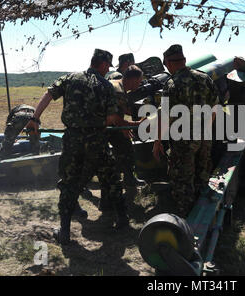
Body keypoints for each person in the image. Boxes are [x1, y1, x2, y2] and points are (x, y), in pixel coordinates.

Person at [26, 49, 138, 244]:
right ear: (103, 65)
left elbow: (48, 95)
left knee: (69, 182)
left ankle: (65, 231)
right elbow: (112, 118)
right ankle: (122, 220)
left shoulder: (70, 78)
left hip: (73, 140)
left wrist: (35, 118)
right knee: (111, 178)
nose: (107, 70)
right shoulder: (106, 86)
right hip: (98, 140)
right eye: (107, 67)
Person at [152, 44, 219, 217]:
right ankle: (204, 213)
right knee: (202, 175)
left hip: (183, 139)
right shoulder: (205, 78)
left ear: (168, 62)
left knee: (183, 179)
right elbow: (215, 108)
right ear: (184, 60)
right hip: (204, 136)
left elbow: (165, 117)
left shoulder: (172, 84)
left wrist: (157, 142)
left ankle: (186, 218)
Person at [98, 65, 147, 213]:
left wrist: (125, 127)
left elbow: (121, 112)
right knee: (106, 165)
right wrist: (135, 124)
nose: (139, 85)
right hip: (100, 128)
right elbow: (116, 119)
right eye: (139, 81)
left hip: (110, 125)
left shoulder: (119, 85)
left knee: (125, 145)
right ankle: (106, 201)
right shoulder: (118, 90)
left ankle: (129, 177)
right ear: (133, 79)